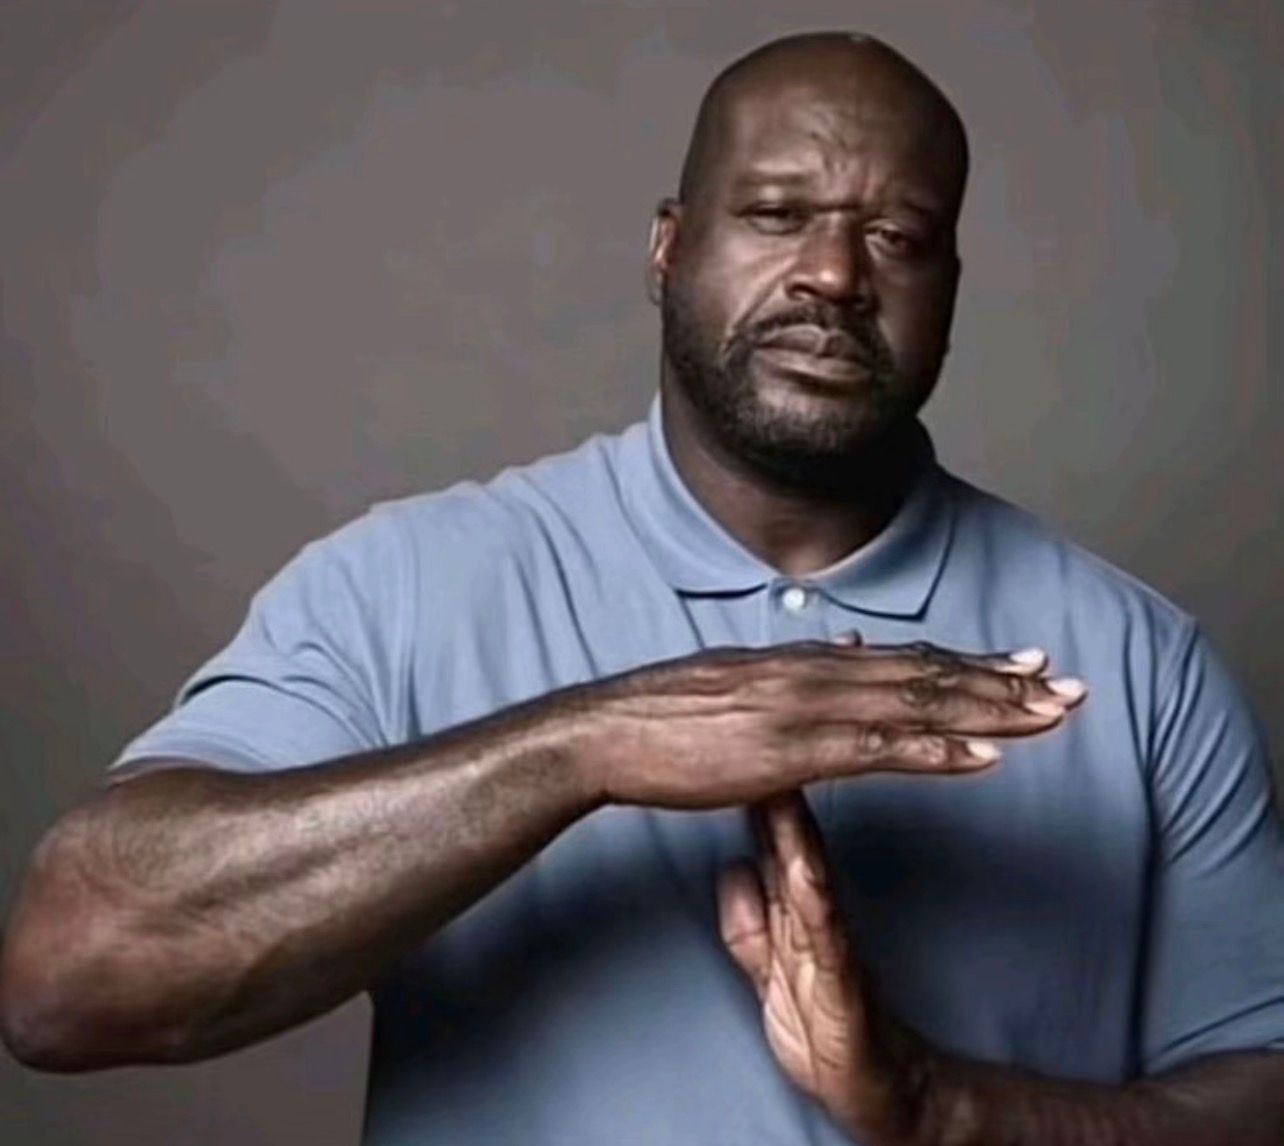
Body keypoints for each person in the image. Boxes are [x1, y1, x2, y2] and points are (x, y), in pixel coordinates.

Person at [3, 30, 1282, 1146]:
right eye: (778, 214)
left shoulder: (1135, 661)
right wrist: (591, 741)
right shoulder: (408, 583)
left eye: (899, 236)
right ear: (670, 247)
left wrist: (946, 1113)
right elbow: (69, 980)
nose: (836, 275)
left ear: (949, 289)